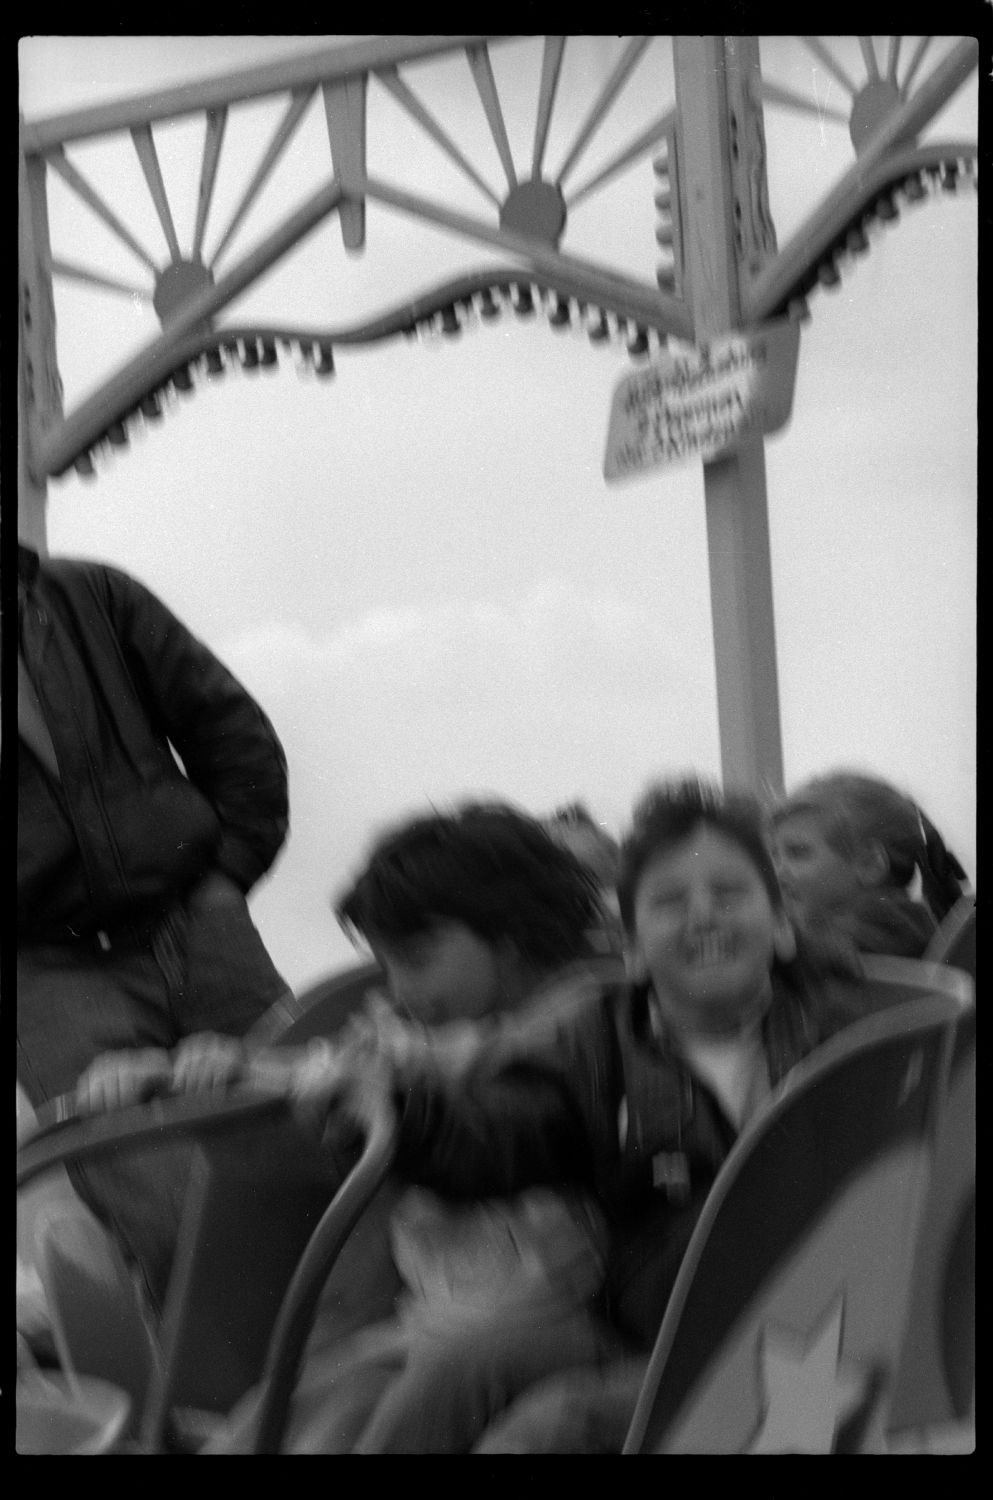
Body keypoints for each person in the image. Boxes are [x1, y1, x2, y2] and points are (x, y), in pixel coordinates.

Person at [299, 776, 887, 1453]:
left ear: (781, 926)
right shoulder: (602, 1047)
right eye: (667, 904)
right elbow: (502, 1137)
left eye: (728, 896)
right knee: (463, 1367)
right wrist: (393, 1115)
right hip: (647, 1326)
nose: (701, 917)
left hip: (791, 1334)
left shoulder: (831, 1028)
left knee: (549, 1428)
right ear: (634, 946)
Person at [79, 800, 622, 1453]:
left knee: (394, 1396)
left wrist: (275, 1070)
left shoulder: (588, 1021)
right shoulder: (431, 1036)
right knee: (297, 1405)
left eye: (416, 960)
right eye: (386, 965)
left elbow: (448, 1065)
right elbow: (344, 1075)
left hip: (567, 1326)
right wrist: (186, 1071)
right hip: (435, 1327)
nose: (398, 988)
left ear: (510, 933)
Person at [17, 540, 293, 1318]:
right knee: (174, 1224)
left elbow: (231, 730)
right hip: (48, 978)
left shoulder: (91, 596)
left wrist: (223, 879)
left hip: (198, 925)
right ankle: (234, 1414)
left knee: (316, 1162)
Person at [771, 770, 970, 960]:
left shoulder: (894, 925)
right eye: (774, 855)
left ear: (870, 865)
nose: (776, 871)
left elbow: (812, 952)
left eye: (797, 853)